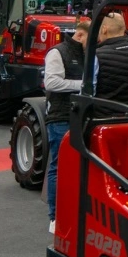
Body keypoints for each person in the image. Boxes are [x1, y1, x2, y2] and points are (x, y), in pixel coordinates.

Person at [42, 20, 88, 234]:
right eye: (91, 39)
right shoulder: (57, 53)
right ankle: (55, 216)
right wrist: (83, 86)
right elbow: (51, 83)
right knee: (59, 166)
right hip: (60, 116)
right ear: (80, 35)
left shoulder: (86, 53)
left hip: (81, 116)